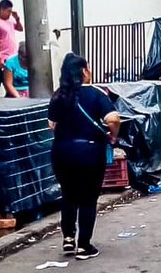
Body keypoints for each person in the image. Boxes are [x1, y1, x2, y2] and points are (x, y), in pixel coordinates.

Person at [47, 53, 120, 260]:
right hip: (89, 153)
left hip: (61, 152)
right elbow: (113, 119)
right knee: (88, 198)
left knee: (69, 195)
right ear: (84, 71)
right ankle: (84, 246)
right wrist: (112, 136)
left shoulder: (59, 95)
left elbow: (51, 124)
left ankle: (68, 239)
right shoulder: (96, 94)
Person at [0, 0, 23, 90]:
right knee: (7, 82)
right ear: (1, 10)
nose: (10, 13)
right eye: (8, 11)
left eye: (11, 11)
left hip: (12, 55)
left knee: (15, 80)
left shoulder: (10, 20)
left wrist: (17, 19)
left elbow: (20, 29)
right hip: (3, 57)